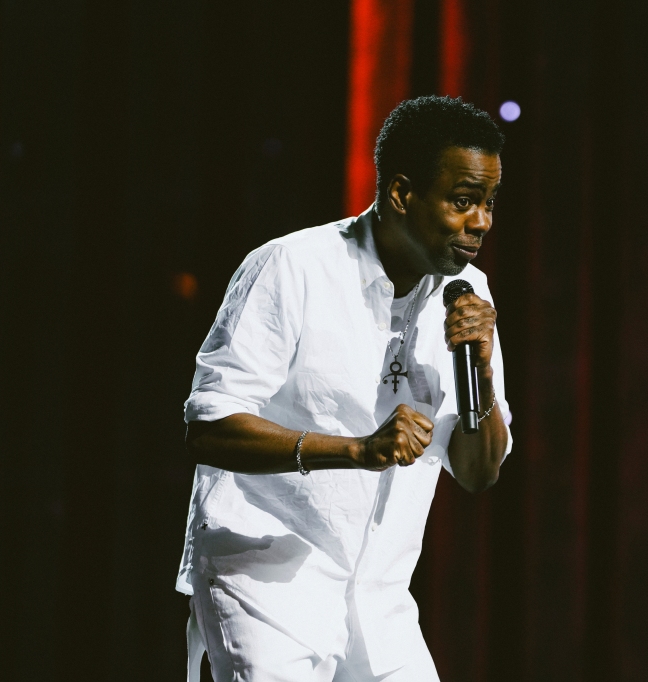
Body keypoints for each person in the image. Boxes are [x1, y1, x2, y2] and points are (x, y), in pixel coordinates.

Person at [178, 96, 513, 682]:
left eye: (488, 203)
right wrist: (356, 450)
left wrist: (481, 371)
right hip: (267, 576)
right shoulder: (292, 268)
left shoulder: (468, 296)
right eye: (463, 201)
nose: (481, 221)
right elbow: (208, 427)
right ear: (402, 194)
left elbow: (479, 472)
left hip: (380, 595)